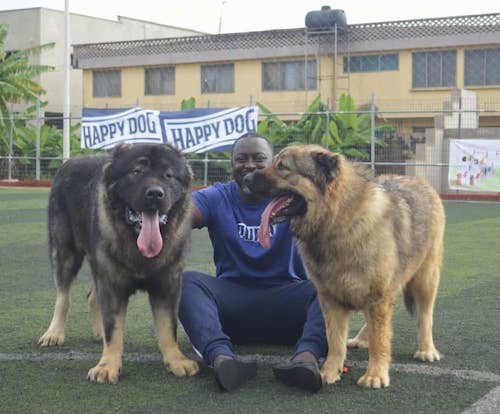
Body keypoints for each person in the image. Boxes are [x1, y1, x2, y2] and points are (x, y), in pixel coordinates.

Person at [179, 133, 327, 392]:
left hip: (291, 309)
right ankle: (223, 359)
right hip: (232, 309)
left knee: (330, 287)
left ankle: (307, 359)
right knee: (185, 282)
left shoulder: (298, 199)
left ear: (274, 164)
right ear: (232, 164)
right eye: (241, 159)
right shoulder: (217, 196)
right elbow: (181, 215)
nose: (249, 165)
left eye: (259, 159)